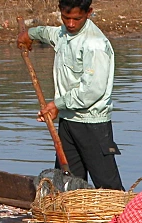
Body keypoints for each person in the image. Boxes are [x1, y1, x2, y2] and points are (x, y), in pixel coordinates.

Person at [17, 0, 124, 190]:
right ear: (61, 13)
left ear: (89, 13)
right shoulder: (63, 33)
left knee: (107, 185)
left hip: (92, 124)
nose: (71, 24)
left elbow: (92, 91)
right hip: (68, 121)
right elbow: (48, 33)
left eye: (77, 18)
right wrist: (29, 35)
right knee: (67, 183)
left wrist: (57, 105)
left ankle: (122, 219)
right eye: (66, 18)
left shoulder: (95, 44)